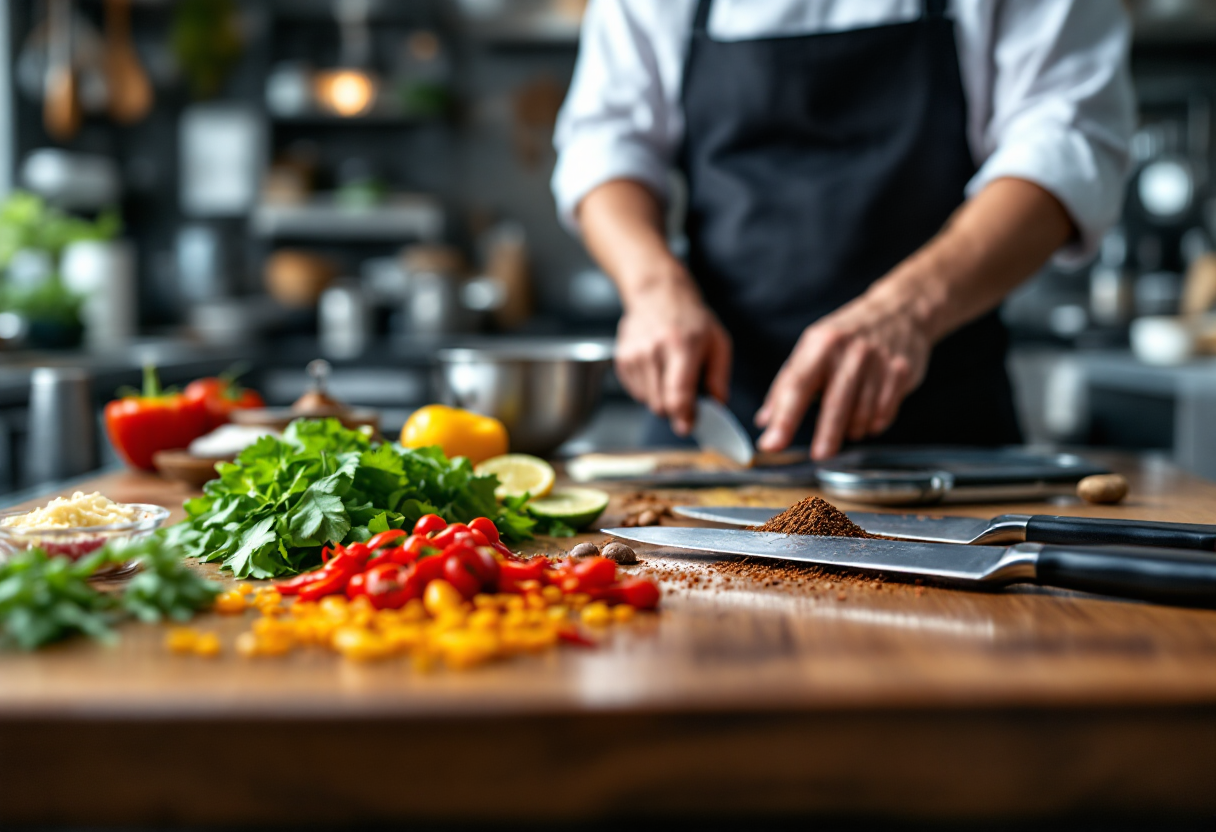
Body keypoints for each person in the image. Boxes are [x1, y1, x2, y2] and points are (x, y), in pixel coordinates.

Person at [552, 0, 1135, 459]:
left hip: (941, 434)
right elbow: (605, 146)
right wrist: (653, 290)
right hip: (710, 427)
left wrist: (907, 310)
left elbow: (1069, 143)